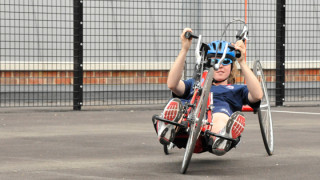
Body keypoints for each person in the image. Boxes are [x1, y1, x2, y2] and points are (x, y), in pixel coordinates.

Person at [153, 28, 263, 155]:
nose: (220, 65)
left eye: (226, 61)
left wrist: (242, 62)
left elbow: (257, 95)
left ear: (232, 66)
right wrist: (184, 49)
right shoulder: (195, 83)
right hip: (187, 124)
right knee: (178, 106)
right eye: (215, 61)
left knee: (220, 117)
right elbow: (172, 84)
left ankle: (220, 138)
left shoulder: (237, 89)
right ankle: (169, 127)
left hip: (210, 129)